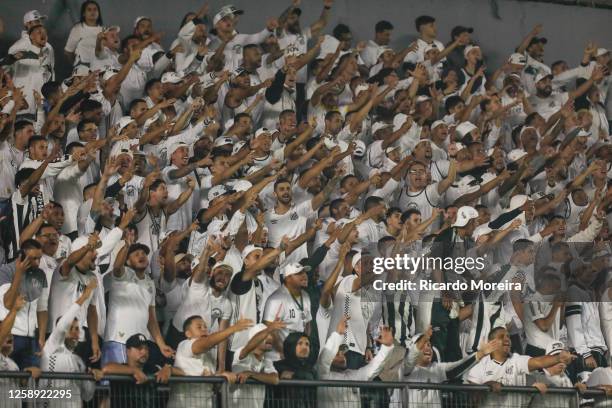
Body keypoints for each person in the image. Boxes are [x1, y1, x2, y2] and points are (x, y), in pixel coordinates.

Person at [466, 327, 576, 408]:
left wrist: (558, 358)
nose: (507, 340)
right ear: (491, 342)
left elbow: (538, 362)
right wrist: (488, 385)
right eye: (501, 337)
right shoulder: (479, 366)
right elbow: (472, 398)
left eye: (508, 336)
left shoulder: (516, 360)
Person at [39, 278, 102, 407]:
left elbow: (87, 396)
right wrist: (84, 297)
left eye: (77, 329)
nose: (75, 332)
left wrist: (90, 377)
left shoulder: (78, 361)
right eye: (70, 329)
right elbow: (63, 325)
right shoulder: (51, 348)